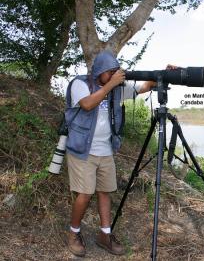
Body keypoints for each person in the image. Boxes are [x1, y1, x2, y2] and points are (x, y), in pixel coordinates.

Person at [64, 50, 173, 257]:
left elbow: (144, 87)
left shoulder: (116, 88)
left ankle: (105, 235)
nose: (115, 74)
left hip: (105, 150)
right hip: (83, 149)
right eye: (111, 71)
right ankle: (73, 233)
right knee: (85, 194)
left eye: (117, 71)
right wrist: (111, 84)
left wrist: (163, 74)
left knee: (105, 191)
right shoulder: (80, 84)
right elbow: (87, 104)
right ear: (99, 71)